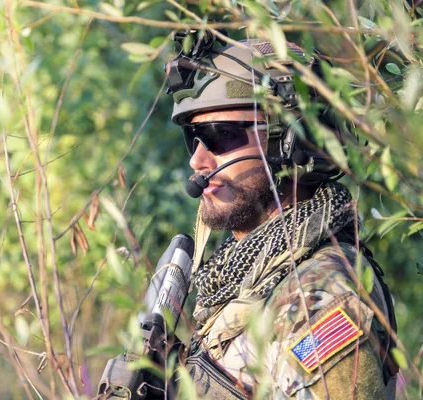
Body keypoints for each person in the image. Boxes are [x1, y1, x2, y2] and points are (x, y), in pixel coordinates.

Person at [165, 34, 399, 399]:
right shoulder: (251, 281)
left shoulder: (318, 297)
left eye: (220, 136)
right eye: (192, 137)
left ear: (291, 141)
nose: (198, 161)